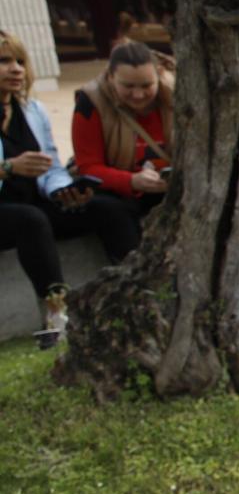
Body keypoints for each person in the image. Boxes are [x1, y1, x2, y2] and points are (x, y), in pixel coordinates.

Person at [0, 32, 135, 346]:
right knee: (29, 219)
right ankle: (56, 315)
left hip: (35, 204)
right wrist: (9, 168)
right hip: (12, 215)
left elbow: (52, 165)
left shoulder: (32, 110)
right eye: (4, 61)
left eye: (20, 61)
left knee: (107, 207)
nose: (16, 69)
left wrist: (63, 189)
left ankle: (136, 289)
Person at [70, 38, 174, 259]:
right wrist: (131, 181)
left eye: (147, 86)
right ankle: (133, 272)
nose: (138, 95)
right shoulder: (91, 102)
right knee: (109, 209)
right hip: (119, 189)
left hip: (169, 184)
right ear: (110, 77)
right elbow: (88, 167)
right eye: (128, 86)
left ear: (160, 75)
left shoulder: (176, 95)